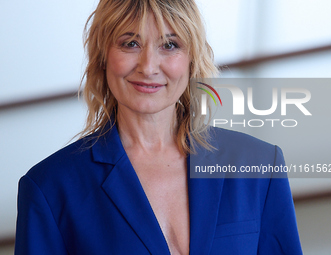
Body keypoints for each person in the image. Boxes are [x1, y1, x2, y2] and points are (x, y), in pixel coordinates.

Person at [15, 0, 303, 254]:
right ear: (103, 56)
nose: (148, 66)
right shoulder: (49, 188)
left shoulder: (260, 164)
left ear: (192, 59)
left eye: (170, 45)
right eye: (130, 43)